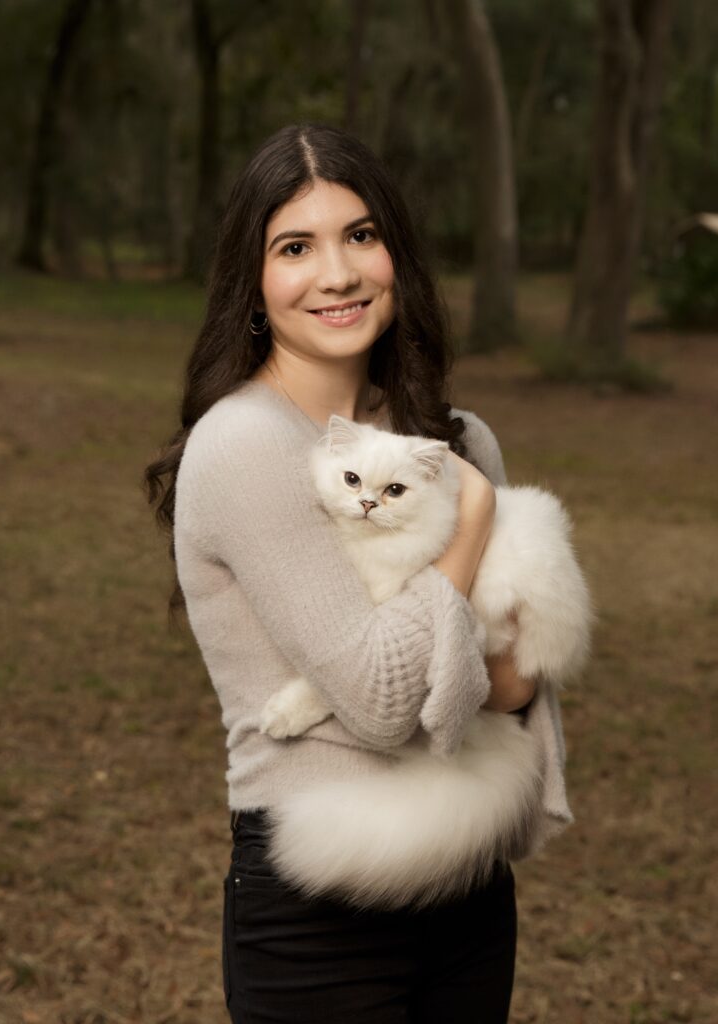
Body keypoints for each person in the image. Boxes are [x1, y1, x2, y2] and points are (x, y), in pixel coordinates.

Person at [146, 123, 564, 1023]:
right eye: (295, 247)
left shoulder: (456, 440)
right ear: (254, 284)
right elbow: (383, 704)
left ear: (397, 258)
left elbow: (515, 687)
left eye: (361, 236)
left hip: (467, 885)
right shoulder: (246, 446)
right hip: (319, 910)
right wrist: (473, 522)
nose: (336, 274)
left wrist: (479, 657)